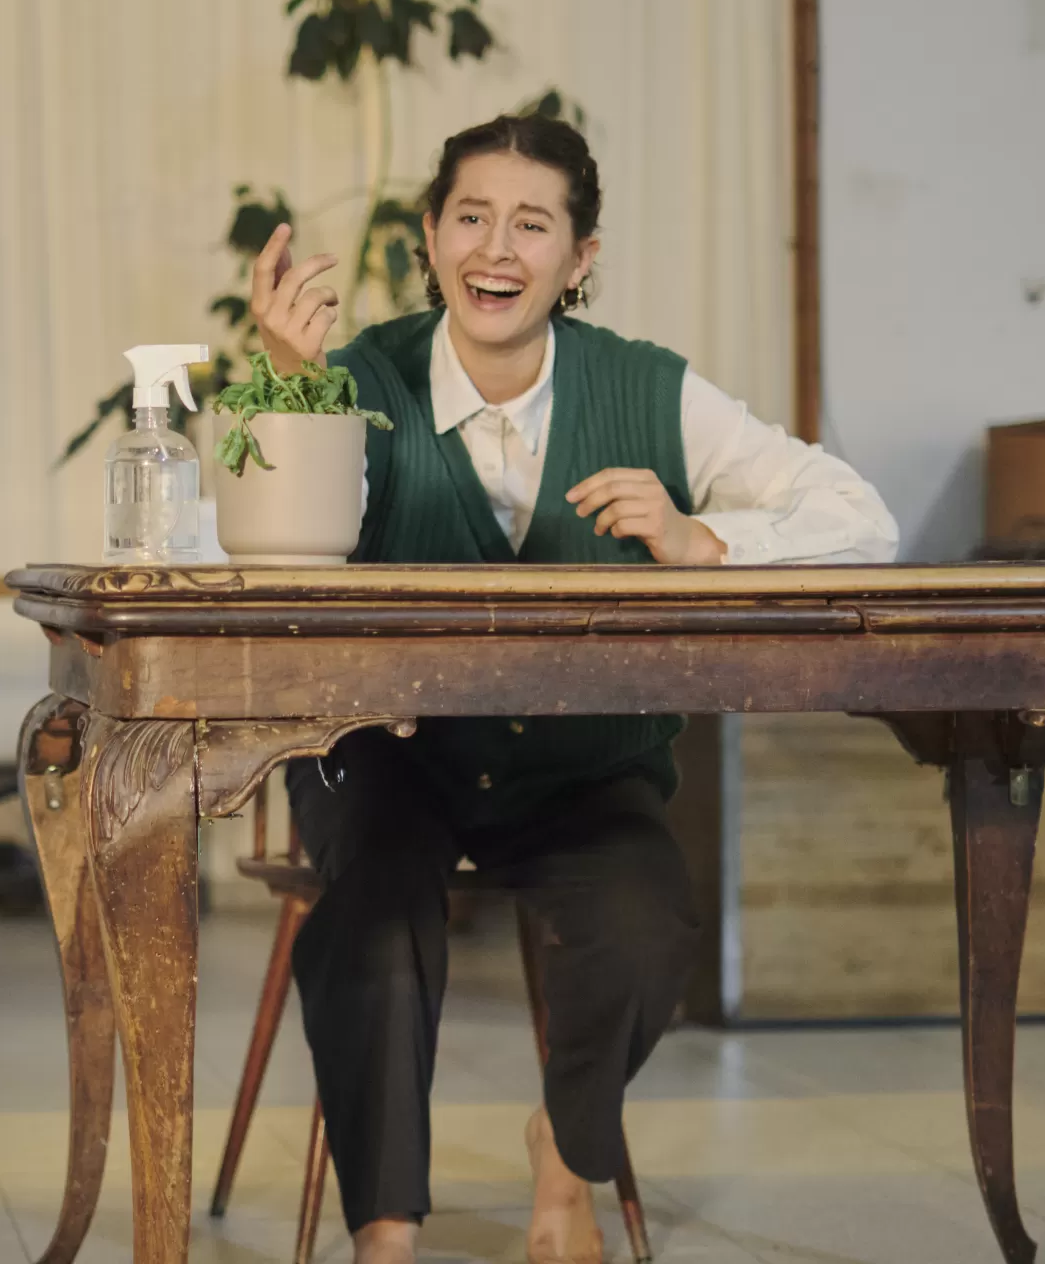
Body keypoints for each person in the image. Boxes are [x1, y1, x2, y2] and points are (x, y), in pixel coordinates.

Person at [248, 114, 897, 1264]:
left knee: (650, 928)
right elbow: (252, 552)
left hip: (585, 766)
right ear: (428, 238)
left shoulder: (652, 390)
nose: (497, 250)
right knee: (378, 924)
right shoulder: (350, 379)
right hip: (391, 760)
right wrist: (295, 392)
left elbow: (860, 519)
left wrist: (703, 541)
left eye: (532, 225)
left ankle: (568, 1152)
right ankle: (385, 1233)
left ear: (580, 256)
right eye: (470, 217)